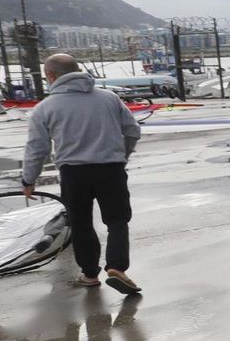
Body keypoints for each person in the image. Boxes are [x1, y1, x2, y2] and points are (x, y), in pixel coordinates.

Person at [21, 53, 143, 295]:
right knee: (117, 220)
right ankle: (117, 267)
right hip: (111, 169)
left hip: (73, 173)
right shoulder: (109, 98)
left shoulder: (44, 108)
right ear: (78, 70)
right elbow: (132, 131)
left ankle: (89, 274)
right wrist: (122, 156)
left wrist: (29, 179)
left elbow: (37, 148)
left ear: (51, 76)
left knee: (81, 223)